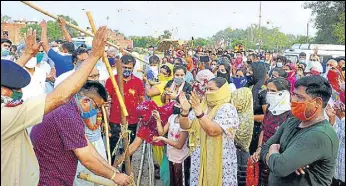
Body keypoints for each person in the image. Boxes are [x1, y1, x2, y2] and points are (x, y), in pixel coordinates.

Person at [1, 26, 110, 186]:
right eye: (16, 89)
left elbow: (6, 80)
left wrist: (25, 56)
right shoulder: (7, 115)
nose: (19, 92)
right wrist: (93, 56)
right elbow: (59, 96)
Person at [31, 81, 130, 186]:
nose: (96, 112)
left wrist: (111, 169)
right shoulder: (68, 116)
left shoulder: (70, 109)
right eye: (96, 107)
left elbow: (87, 146)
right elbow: (86, 158)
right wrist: (114, 176)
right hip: (49, 179)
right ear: (86, 101)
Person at [260, 76, 339, 186]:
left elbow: (280, 167)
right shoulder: (291, 122)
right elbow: (264, 148)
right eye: (294, 94)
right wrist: (287, 160)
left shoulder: (320, 134)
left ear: (317, 103)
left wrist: (274, 151)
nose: (293, 100)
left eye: (299, 97)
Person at [179, 77, 239, 186]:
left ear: (222, 91)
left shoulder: (227, 108)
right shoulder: (203, 105)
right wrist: (185, 111)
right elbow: (186, 125)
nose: (207, 92)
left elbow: (213, 130)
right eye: (206, 89)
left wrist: (198, 112)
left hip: (220, 160)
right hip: (200, 157)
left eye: (211, 89)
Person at [251, 78, 292, 186]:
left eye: (273, 91)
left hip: (278, 158)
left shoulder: (291, 114)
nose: (269, 94)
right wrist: (259, 149)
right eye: (268, 90)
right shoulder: (270, 108)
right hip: (264, 154)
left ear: (284, 93)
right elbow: (263, 129)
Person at [105, 55, 145, 165]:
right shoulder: (111, 80)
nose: (126, 70)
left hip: (132, 120)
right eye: (124, 67)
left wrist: (142, 116)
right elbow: (106, 100)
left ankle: (125, 173)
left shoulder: (138, 82)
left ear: (133, 68)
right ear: (119, 66)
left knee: (128, 148)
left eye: (129, 68)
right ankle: (110, 170)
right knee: (112, 147)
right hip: (115, 120)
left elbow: (141, 100)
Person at [153, 100, 190, 186]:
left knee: (180, 183)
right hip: (171, 156)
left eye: (178, 103)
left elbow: (179, 145)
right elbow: (161, 132)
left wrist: (163, 139)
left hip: (181, 159)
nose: (175, 105)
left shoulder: (185, 123)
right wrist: (158, 120)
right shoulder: (172, 117)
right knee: (173, 182)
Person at [230, 87, 254, 186]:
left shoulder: (245, 116)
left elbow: (239, 138)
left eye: (237, 98)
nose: (233, 101)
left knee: (242, 179)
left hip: (241, 153)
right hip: (235, 153)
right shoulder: (234, 113)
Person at [246, 62, 269, 154]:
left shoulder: (263, 91)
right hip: (247, 128)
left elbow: (267, 117)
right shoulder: (249, 86)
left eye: (250, 72)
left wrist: (249, 117)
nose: (248, 73)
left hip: (257, 131)